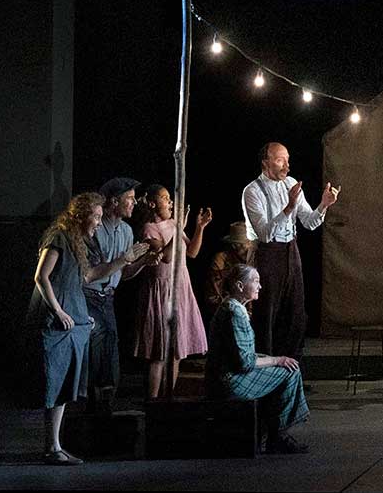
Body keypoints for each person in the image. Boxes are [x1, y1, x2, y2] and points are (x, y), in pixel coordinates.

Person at [29, 192, 140, 464]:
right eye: (97, 217)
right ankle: (51, 447)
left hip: (73, 317)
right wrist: (59, 311)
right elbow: (41, 276)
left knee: (65, 383)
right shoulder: (58, 237)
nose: (99, 223)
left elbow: (89, 275)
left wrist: (124, 260)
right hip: (56, 318)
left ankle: (54, 445)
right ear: (81, 215)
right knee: (55, 382)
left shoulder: (78, 241)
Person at [240, 142, 338, 359]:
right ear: (265, 163)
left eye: (287, 160)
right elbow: (264, 234)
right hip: (266, 254)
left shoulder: (290, 184)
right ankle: (265, 373)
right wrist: (288, 207)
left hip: (290, 251)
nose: (287, 166)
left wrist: (323, 205)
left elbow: (310, 222)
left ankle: (292, 371)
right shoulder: (252, 191)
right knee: (267, 314)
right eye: (279, 160)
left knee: (295, 315)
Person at [207, 264, 311, 454]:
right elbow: (245, 363)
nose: (260, 286)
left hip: (228, 375)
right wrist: (277, 360)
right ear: (240, 285)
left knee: (284, 366)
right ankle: (278, 435)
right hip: (229, 381)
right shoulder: (234, 312)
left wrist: (274, 359)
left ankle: (270, 430)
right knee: (290, 371)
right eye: (255, 281)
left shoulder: (233, 308)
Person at [131, 185, 213, 400]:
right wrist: (178, 231)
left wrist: (199, 227)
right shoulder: (149, 228)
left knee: (176, 352)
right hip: (161, 288)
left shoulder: (175, 224)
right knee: (160, 352)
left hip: (180, 286)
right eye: (165, 198)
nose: (170, 202)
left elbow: (192, 252)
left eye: (169, 198)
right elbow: (165, 256)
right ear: (152, 203)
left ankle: (168, 398)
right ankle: (153, 401)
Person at [86, 176, 149, 411]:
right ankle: (91, 408)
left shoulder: (126, 231)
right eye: (130, 199)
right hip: (89, 296)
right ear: (114, 201)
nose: (134, 203)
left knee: (111, 353)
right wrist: (125, 258)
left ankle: (105, 409)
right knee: (94, 352)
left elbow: (122, 274)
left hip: (108, 298)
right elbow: (93, 273)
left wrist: (143, 262)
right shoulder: (95, 229)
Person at [204, 221, 256, 322]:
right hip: (229, 311)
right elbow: (213, 294)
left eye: (242, 244)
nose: (238, 247)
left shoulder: (255, 259)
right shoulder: (221, 260)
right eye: (236, 244)